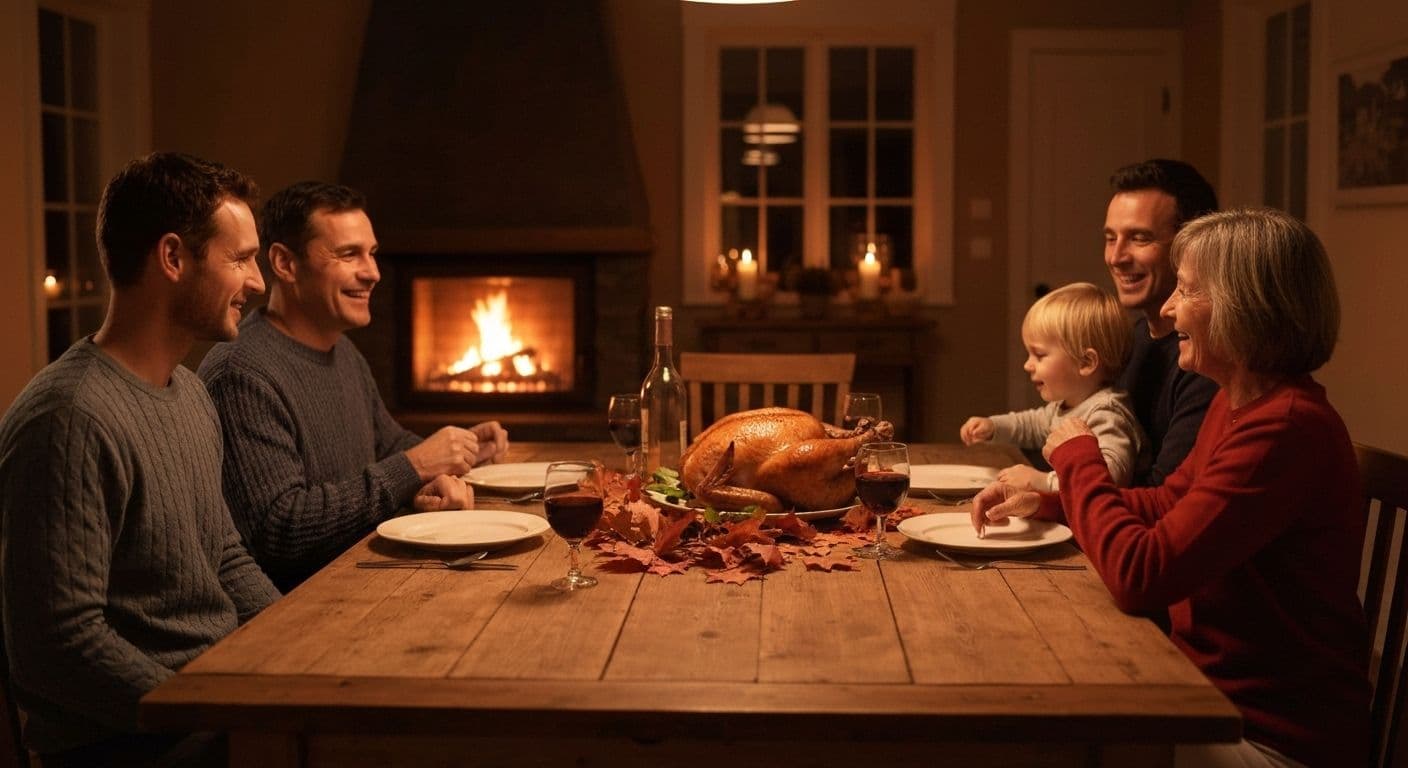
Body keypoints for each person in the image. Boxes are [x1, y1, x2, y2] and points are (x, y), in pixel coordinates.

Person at [972, 208, 1369, 768]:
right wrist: (1052, 502)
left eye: (1186, 290)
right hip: (1199, 693)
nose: (1166, 308)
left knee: (1019, 740)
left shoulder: (1283, 428)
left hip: (1266, 735)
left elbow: (1142, 576)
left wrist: (1079, 460)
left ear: (1244, 306)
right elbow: (1167, 503)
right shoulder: (1238, 400)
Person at [0, 152, 281, 766]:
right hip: (131, 742)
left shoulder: (190, 393)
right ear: (173, 258)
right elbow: (58, 646)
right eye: (240, 259)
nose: (258, 283)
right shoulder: (70, 417)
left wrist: (299, 644)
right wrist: (205, 706)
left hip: (209, 705)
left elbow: (225, 557)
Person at [198, 181, 509, 591]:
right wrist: (417, 467)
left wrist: (459, 456)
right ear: (285, 264)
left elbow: (388, 446)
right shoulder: (241, 373)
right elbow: (280, 530)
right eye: (349, 255)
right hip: (309, 605)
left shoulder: (341, 350)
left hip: (370, 576)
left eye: (372, 254)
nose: (373, 273)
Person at [959, 282, 1145, 491]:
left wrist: (1042, 482)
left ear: (1086, 362)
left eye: (1039, 355)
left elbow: (1108, 479)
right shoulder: (1067, 405)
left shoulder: (1106, 415)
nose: (1027, 365)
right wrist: (993, 427)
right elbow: (1031, 425)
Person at [1104, 159, 1221, 486]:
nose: (1116, 257)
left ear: (1190, 244)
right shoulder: (1134, 338)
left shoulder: (1206, 362)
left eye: (1139, 238)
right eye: (1111, 238)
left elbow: (1163, 498)